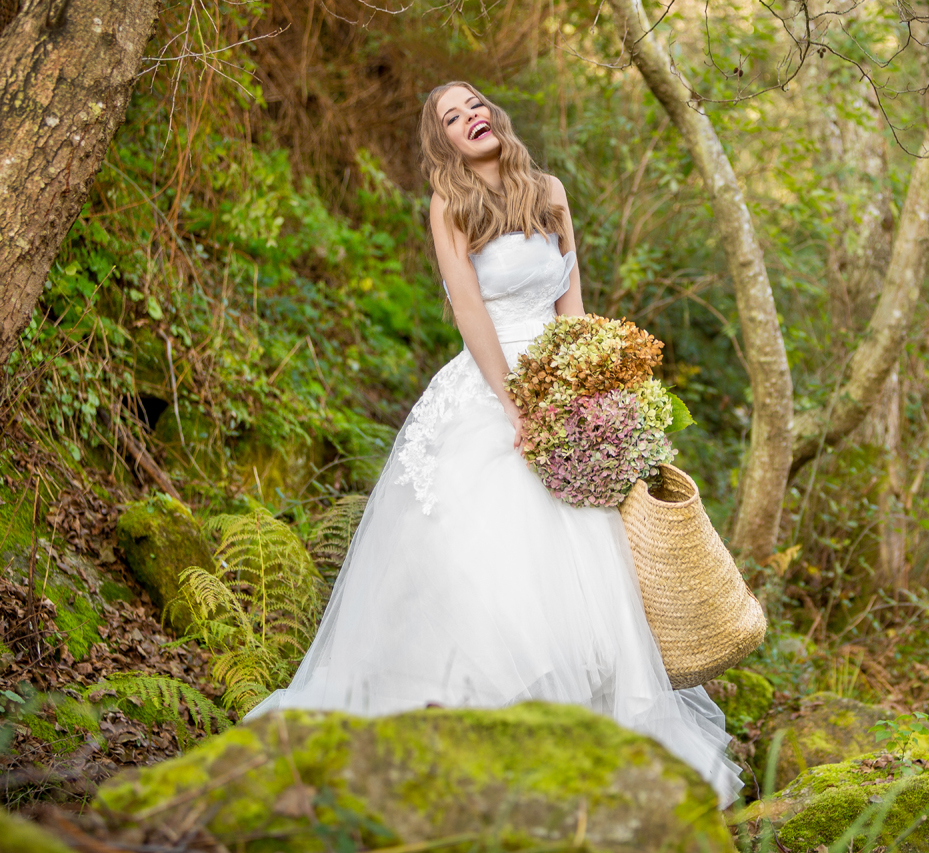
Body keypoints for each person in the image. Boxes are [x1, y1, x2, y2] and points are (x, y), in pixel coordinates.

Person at [246, 81, 743, 806]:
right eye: (450, 117)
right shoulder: (449, 205)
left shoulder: (549, 190)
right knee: (480, 557)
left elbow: (572, 301)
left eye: (472, 105)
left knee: (588, 564)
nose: (467, 117)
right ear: (442, 140)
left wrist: (594, 392)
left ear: (493, 114)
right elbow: (470, 308)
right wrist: (516, 405)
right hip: (491, 385)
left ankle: (583, 735)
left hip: (564, 383)